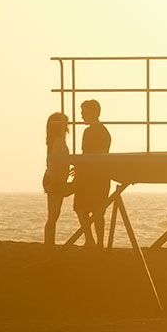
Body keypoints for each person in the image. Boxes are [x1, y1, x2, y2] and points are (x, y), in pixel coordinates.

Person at [73, 100, 111, 247]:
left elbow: (91, 154)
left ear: (93, 112)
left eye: (84, 112)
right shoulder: (103, 131)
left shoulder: (91, 132)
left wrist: (80, 167)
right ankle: (97, 242)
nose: (82, 115)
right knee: (95, 210)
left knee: (83, 208)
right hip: (99, 175)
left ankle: (91, 240)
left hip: (92, 176)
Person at [43, 112, 73, 247]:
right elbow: (55, 163)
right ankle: (49, 243)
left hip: (55, 178)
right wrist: (55, 182)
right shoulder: (58, 142)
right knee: (53, 215)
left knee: (54, 214)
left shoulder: (56, 141)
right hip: (55, 179)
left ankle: (50, 243)